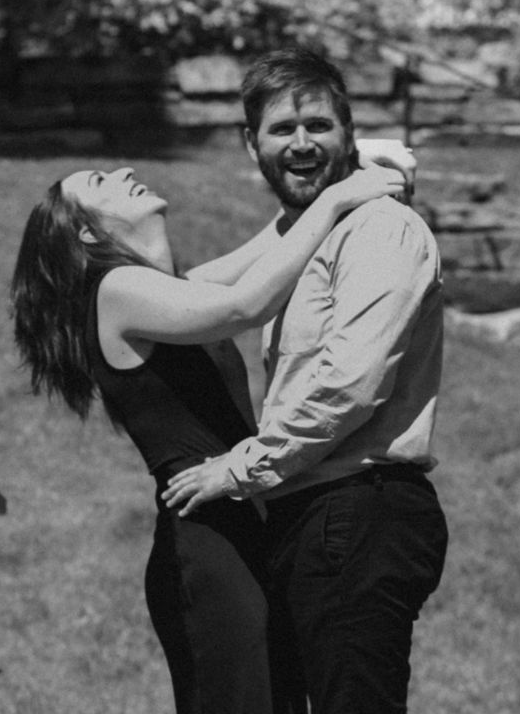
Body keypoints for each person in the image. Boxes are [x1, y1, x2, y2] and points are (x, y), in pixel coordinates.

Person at [9, 154, 408, 713]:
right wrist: (339, 198)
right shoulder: (116, 290)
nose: (124, 173)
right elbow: (245, 305)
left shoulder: (170, 290)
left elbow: (270, 245)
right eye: (101, 181)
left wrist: (338, 171)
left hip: (249, 521)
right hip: (208, 543)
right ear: (86, 231)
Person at [164, 46, 449, 714]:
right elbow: (202, 290)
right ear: (251, 143)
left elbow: (348, 386)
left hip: (358, 513)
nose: (300, 143)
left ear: (348, 134)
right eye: (282, 129)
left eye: (318, 125)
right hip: (312, 513)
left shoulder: (379, 229)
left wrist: (240, 469)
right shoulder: (306, 233)